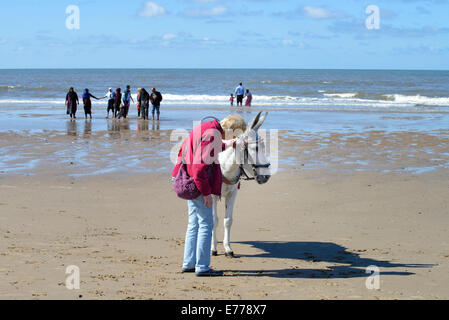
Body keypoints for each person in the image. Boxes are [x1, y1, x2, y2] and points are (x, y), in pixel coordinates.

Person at [172, 118, 235, 277]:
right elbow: (200, 170)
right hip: (195, 183)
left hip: (185, 178)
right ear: (230, 130)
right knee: (206, 224)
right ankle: (202, 267)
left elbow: (204, 147)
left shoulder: (206, 128)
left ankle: (189, 263)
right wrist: (207, 194)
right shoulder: (213, 135)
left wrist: (227, 145)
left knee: (193, 223)